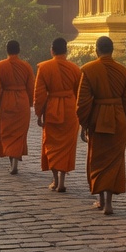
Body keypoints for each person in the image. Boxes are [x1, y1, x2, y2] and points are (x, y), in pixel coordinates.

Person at [77, 36, 126, 215]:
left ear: (96, 50)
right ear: (112, 51)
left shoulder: (88, 69)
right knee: (114, 162)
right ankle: (109, 202)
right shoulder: (123, 71)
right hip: (118, 118)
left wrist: (84, 123)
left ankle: (101, 201)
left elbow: (83, 102)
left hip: (98, 119)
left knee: (98, 160)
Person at [34, 37, 82, 193]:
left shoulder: (44, 67)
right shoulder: (75, 69)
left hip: (52, 108)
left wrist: (39, 113)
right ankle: (62, 180)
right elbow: (80, 93)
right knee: (66, 146)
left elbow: (39, 93)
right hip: (70, 109)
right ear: (66, 51)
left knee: (52, 144)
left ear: (52, 50)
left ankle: (55, 180)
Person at [0, 40, 34, 174]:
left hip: (7, 101)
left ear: (7, 50)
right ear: (19, 50)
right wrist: (30, 103)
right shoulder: (26, 66)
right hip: (22, 101)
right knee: (19, 133)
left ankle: (12, 162)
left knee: (8, 132)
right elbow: (31, 88)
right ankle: (15, 160)